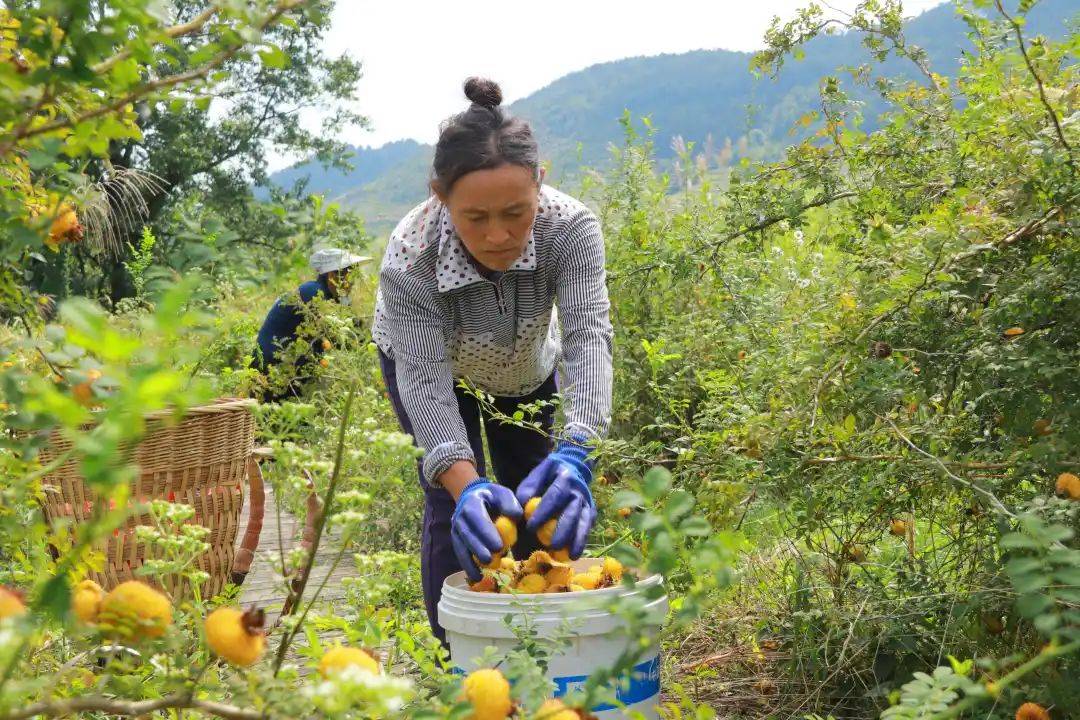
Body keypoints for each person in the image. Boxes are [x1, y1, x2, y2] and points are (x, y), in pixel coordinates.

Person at [372, 77, 613, 643]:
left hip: (527, 363)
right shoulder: (411, 257)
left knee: (535, 493)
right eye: (475, 218)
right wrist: (464, 482)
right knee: (457, 500)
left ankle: (538, 632)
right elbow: (425, 380)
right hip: (431, 366)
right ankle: (460, 653)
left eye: (516, 211)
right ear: (440, 196)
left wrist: (580, 449)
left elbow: (588, 337)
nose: (499, 235)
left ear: (540, 183)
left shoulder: (571, 228)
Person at [254, 247, 370, 403]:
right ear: (332, 275)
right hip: (272, 367)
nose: (352, 282)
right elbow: (341, 335)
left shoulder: (328, 295)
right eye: (348, 274)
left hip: (287, 367)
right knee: (273, 418)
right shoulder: (313, 292)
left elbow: (351, 328)